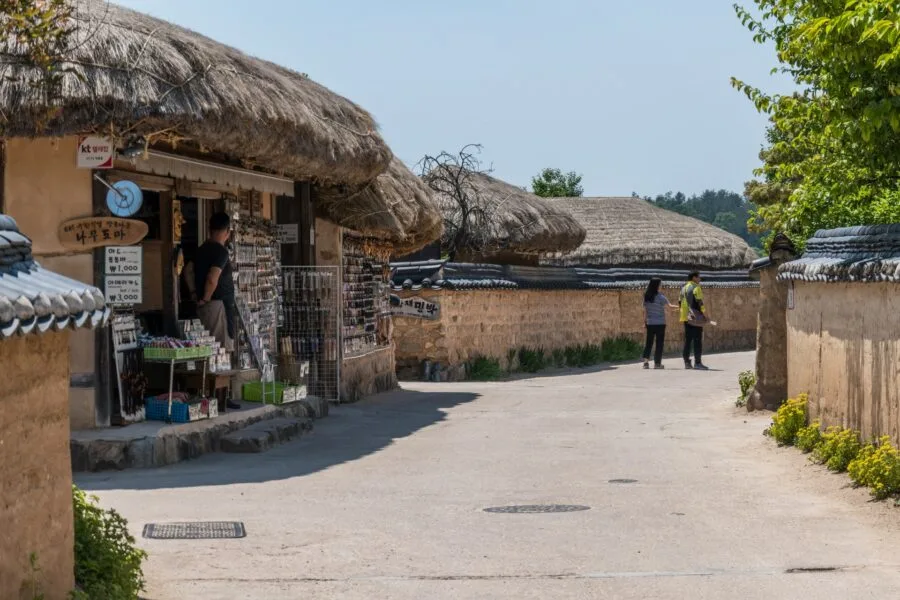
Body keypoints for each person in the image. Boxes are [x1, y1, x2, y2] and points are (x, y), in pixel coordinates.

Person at [195, 212, 240, 409]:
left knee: (211, 348)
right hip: (217, 305)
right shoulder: (220, 252)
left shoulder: (201, 249)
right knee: (220, 349)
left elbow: (188, 270)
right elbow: (213, 278)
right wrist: (205, 297)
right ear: (227, 232)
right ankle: (219, 396)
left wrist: (193, 294)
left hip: (208, 305)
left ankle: (215, 394)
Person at [642, 278, 677, 369]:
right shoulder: (661, 297)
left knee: (649, 342)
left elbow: (645, 311)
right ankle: (657, 363)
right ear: (657, 285)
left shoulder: (647, 296)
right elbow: (670, 307)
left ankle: (646, 363)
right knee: (659, 343)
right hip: (660, 323)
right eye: (660, 284)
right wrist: (681, 307)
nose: (661, 286)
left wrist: (644, 322)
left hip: (650, 323)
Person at [679, 271, 710, 370]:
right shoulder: (696, 287)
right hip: (695, 318)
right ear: (694, 278)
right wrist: (706, 316)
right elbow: (700, 303)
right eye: (699, 277)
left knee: (688, 340)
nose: (700, 279)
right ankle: (698, 363)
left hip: (685, 317)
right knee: (697, 340)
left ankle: (687, 362)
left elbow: (679, 302)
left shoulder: (683, 288)